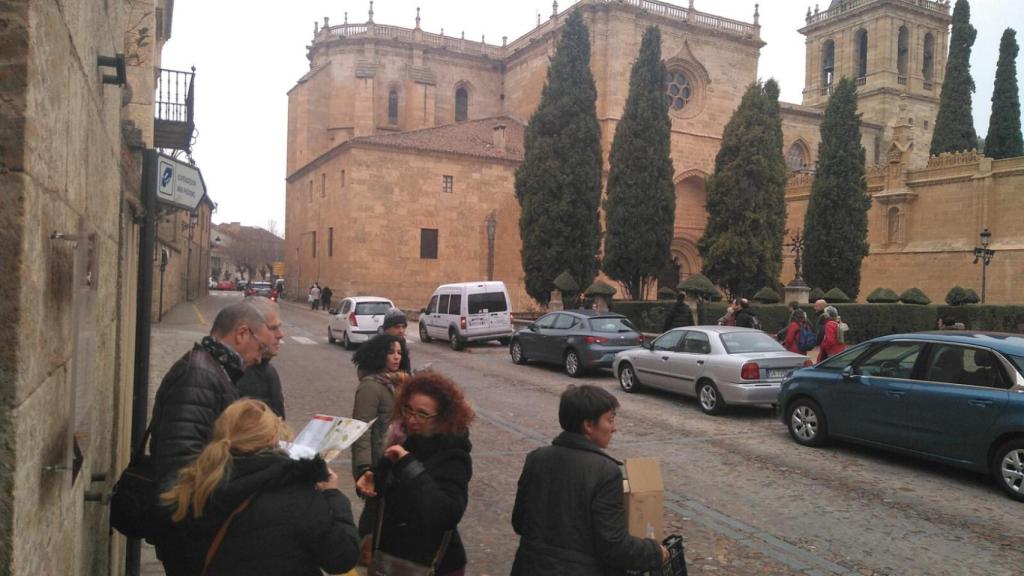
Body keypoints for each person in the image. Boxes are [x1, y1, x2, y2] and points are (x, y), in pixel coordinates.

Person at [161, 399, 360, 576]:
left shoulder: (193, 483)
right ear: (271, 439)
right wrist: (333, 495)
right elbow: (342, 558)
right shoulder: (296, 495)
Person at [149, 300, 271, 576]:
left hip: (195, 525)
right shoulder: (199, 375)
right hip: (189, 532)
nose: (260, 357)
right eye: (261, 348)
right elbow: (180, 469)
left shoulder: (213, 370)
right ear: (242, 334)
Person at [511, 385, 668, 575]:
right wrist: (655, 552)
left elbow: (519, 522)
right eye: (610, 420)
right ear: (588, 425)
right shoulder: (605, 472)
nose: (614, 428)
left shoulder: (536, 458)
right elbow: (613, 546)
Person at [356, 372, 475, 576]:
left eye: (422, 414)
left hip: (432, 565)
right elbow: (382, 491)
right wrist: (370, 479)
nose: (412, 419)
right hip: (390, 560)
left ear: (442, 418)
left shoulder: (453, 455)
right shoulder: (403, 440)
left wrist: (408, 465)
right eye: (408, 409)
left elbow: (448, 513)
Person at [351, 334, 408, 556]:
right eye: (391, 352)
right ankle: (363, 550)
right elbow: (361, 429)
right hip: (378, 461)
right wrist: (364, 467)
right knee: (375, 508)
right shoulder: (370, 387)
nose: (396, 357)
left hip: (396, 458)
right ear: (379, 354)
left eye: (399, 352)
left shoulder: (399, 382)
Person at [236, 297, 286, 418]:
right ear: (246, 332)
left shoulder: (268, 370)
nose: (280, 335)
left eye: (279, 327)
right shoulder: (235, 375)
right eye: (273, 328)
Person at [378, 307, 412, 373]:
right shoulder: (376, 348)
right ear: (387, 328)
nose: (401, 331)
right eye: (397, 327)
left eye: (403, 327)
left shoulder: (402, 343)